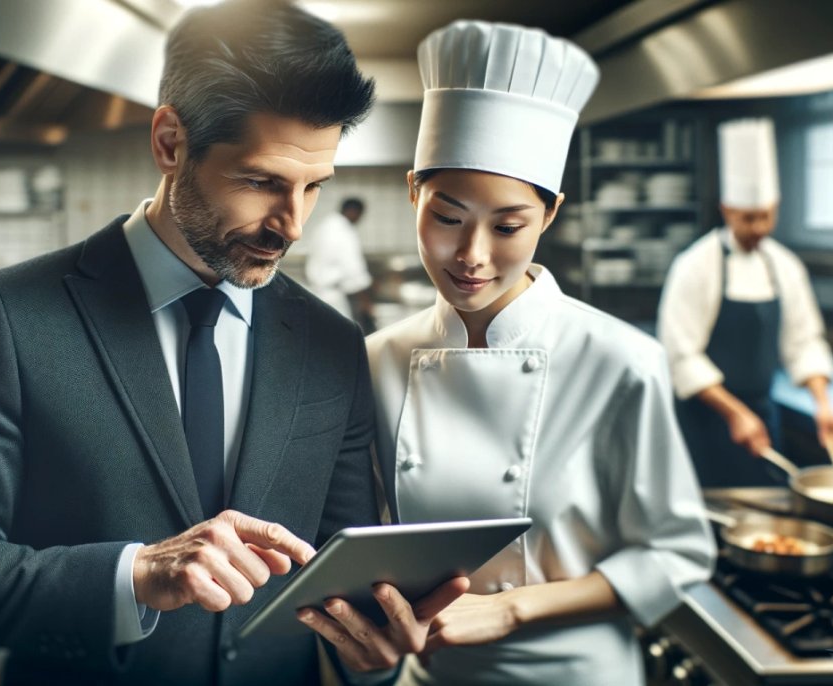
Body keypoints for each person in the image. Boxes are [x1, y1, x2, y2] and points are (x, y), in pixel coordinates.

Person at [0, 2, 463, 684]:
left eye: (313, 188)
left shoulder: (331, 344)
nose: (292, 225)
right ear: (169, 142)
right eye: (261, 182)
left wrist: (373, 655)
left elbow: (336, 576)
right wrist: (135, 574)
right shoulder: (13, 316)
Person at [304, 20, 715, 686]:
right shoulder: (376, 360)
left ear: (549, 215)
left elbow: (676, 554)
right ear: (413, 192)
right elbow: (359, 550)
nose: (472, 256)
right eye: (447, 216)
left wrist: (511, 610)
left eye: (508, 226)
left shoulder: (619, 361)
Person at [658, 118, 833, 488]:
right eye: (749, 218)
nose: (759, 228)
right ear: (727, 210)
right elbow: (682, 356)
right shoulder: (696, 265)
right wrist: (734, 412)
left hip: (760, 415)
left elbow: (805, 340)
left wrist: (824, 406)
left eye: (766, 216)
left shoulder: (784, 266)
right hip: (704, 418)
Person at [305, 197, 376, 332]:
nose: (359, 219)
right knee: (340, 339)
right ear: (353, 211)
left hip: (316, 292)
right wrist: (367, 302)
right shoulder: (344, 231)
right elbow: (354, 268)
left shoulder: (324, 226)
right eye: (360, 215)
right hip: (333, 297)